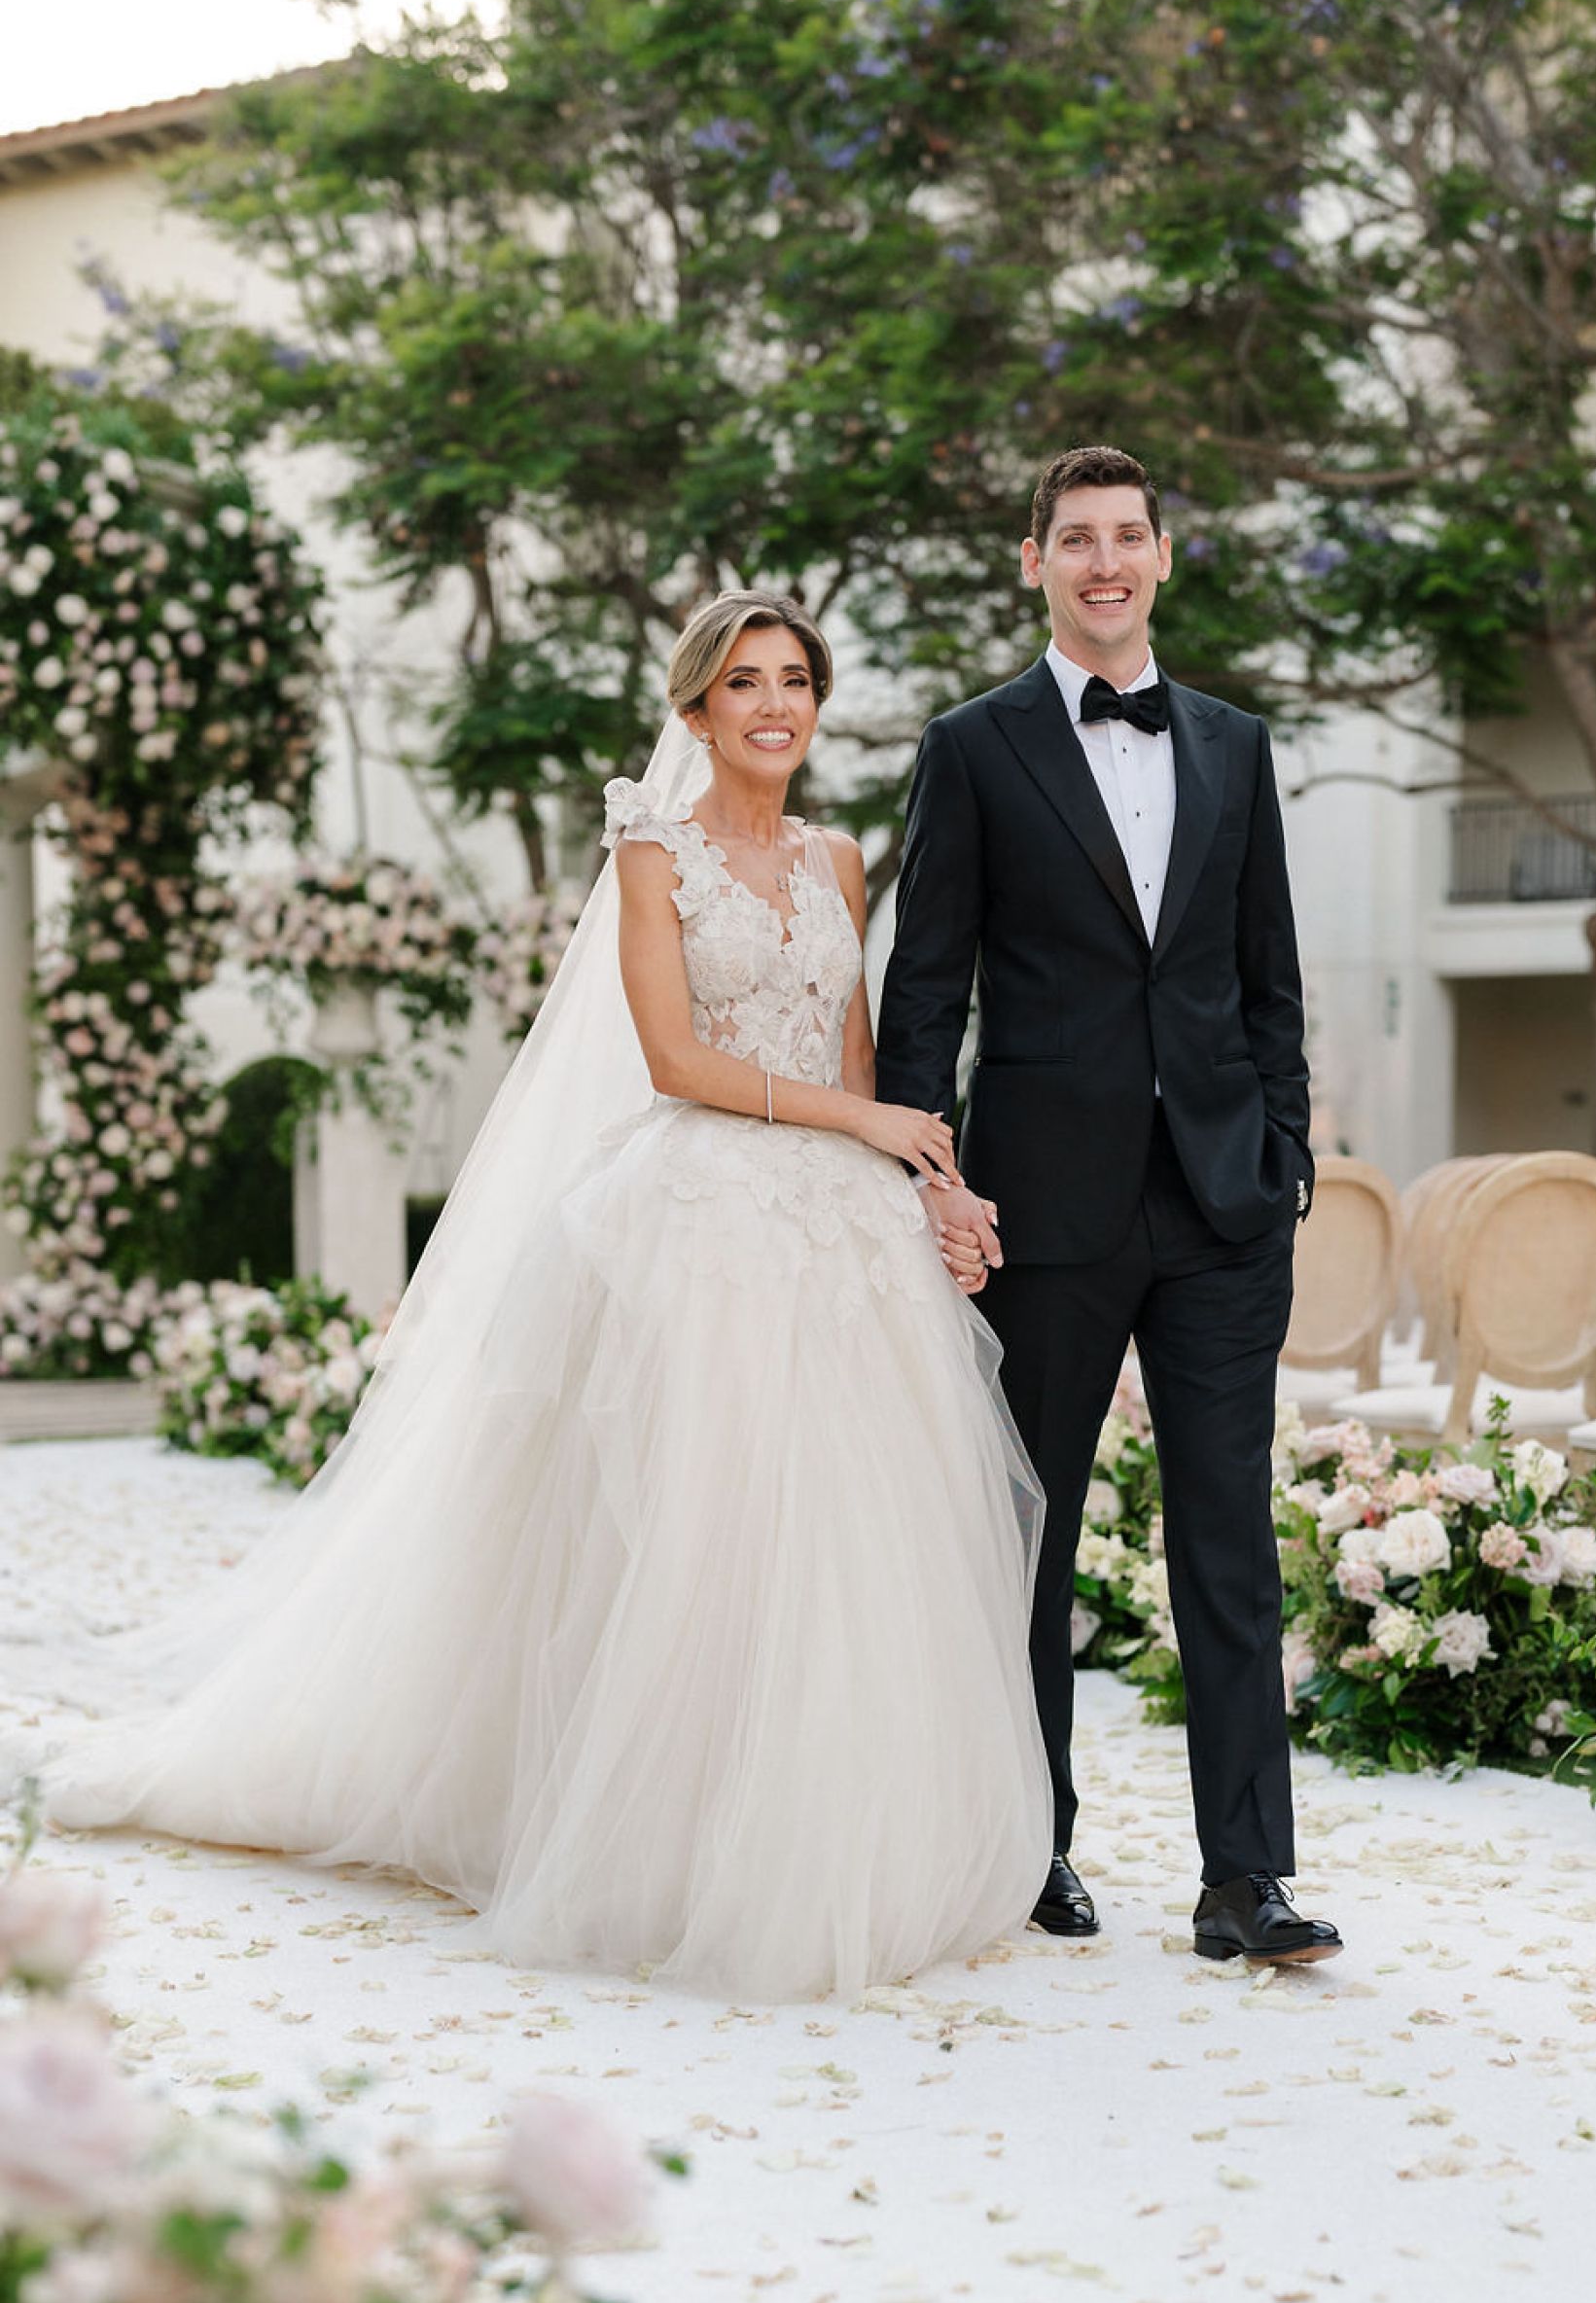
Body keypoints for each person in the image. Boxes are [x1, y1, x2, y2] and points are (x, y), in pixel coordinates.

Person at [44, 592, 1052, 2004]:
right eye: (744, 684)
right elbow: (673, 1061)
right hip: (701, 1211)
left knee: (844, 1532)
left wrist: (926, 1180)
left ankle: (832, 1829)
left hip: (837, 1220)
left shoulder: (836, 856)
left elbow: (857, 1051)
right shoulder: (654, 852)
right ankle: (669, 1838)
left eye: (797, 681)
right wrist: (856, 1123)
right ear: (696, 710)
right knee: (700, 1528)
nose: (775, 706)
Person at [875, 445, 1342, 1965]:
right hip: (1038, 1210)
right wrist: (933, 1183)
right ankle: (1032, 1845)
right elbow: (925, 987)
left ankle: (1246, 1880)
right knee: (1031, 1534)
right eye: (1073, 540)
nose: (1103, 563)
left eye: (1127, 537)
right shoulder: (973, 747)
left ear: (1161, 556)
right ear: (1035, 564)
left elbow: (1266, 973)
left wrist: (1285, 1152)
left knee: (1228, 1541)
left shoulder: (1234, 743)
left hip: (1221, 1207)